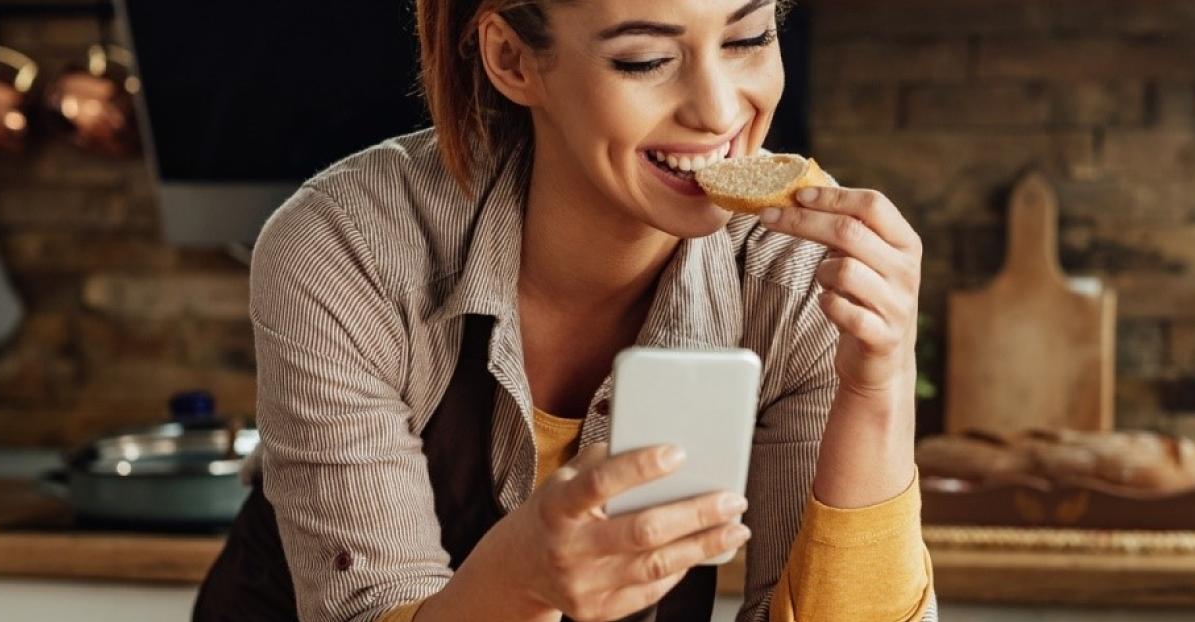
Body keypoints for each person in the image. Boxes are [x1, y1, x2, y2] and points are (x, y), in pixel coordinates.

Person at [192, 0, 934, 620]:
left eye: (748, 39)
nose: (718, 111)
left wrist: (878, 386)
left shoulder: (801, 273)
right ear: (512, 59)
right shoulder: (347, 247)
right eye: (644, 60)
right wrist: (517, 585)